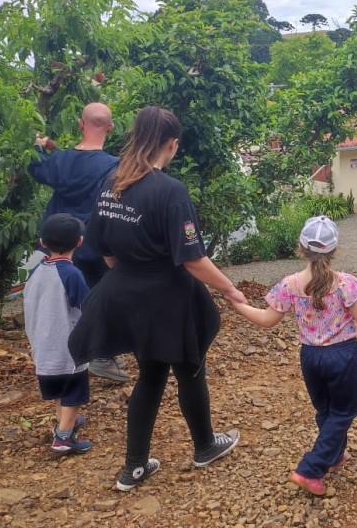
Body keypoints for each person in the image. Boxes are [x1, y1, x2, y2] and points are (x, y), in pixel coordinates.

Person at [68, 106, 243, 491]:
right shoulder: (170, 191)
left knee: (150, 375)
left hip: (128, 293)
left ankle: (133, 467)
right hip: (170, 297)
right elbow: (193, 258)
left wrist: (133, 274)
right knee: (190, 369)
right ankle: (205, 446)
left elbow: (104, 250)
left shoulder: (111, 183)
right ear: (172, 144)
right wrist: (229, 289)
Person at [228, 216, 357, 497]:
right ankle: (310, 468)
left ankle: (334, 455)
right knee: (345, 410)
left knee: (327, 410)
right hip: (342, 354)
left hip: (310, 356)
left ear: (300, 248)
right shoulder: (345, 284)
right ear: (334, 250)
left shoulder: (289, 285)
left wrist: (238, 305)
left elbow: (267, 319)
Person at [29, 103, 127, 383]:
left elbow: (36, 168)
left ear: (80, 124)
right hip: (96, 243)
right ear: (110, 127)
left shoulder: (60, 161)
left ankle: (63, 362)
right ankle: (100, 356)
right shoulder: (114, 166)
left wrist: (40, 145)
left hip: (59, 244)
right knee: (99, 299)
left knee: (63, 304)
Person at [24, 214, 93, 455]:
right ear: (80, 241)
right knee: (74, 393)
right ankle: (63, 438)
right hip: (68, 349)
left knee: (61, 391)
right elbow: (88, 308)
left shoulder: (35, 270)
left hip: (42, 347)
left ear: (42, 241)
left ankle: (64, 421)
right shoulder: (71, 274)